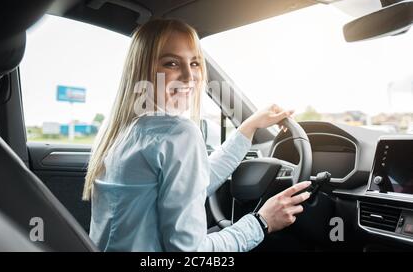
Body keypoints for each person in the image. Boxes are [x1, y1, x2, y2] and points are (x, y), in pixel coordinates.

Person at [82, 18, 311, 251]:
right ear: (142, 69)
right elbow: (189, 253)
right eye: (171, 63)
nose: (190, 77)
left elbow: (192, 184)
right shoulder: (177, 133)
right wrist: (261, 223)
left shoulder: (118, 131)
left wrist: (247, 128)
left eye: (194, 63)